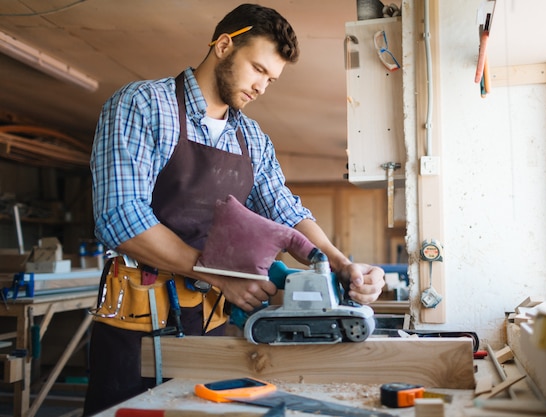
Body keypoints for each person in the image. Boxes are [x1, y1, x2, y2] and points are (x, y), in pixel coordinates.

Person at [83, 3, 385, 416]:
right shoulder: (144, 105)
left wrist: (337, 263)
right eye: (258, 69)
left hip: (209, 325)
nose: (263, 86)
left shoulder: (252, 138)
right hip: (137, 324)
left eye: (272, 79)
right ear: (224, 45)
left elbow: (283, 208)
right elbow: (121, 217)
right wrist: (217, 274)